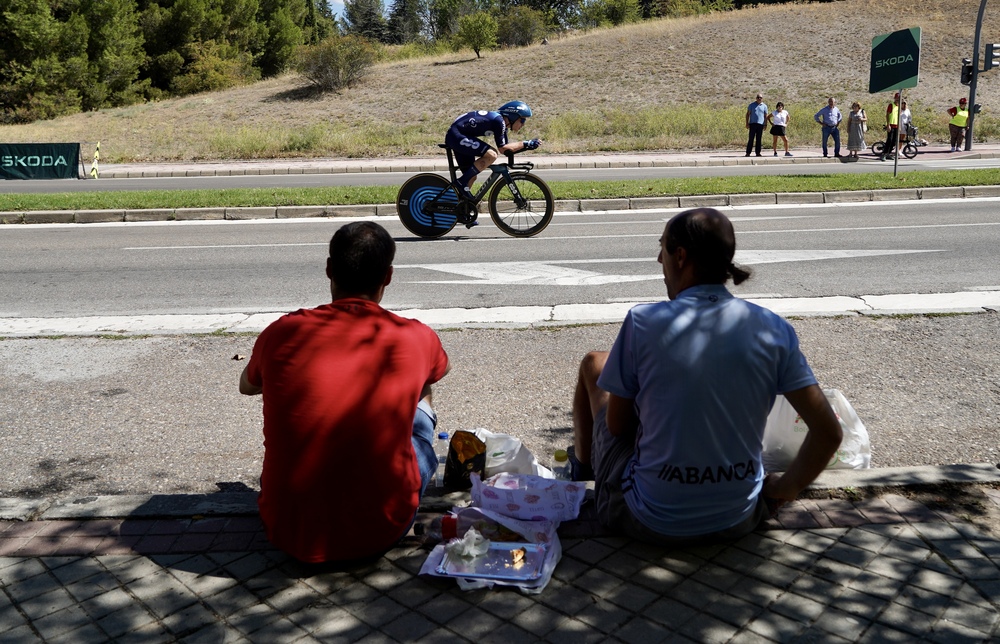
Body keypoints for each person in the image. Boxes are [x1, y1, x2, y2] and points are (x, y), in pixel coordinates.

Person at [570, 208, 842, 546]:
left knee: (595, 365)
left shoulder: (643, 322)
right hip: (739, 519)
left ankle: (580, 474)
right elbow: (829, 432)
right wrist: (781, 490)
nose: (659, 259)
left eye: (662, 247)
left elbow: (618, 428)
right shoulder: (773, 328)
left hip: (648, 519)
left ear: (680, 256)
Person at [239, 221, 450, 565]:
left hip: (289, 531)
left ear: (328, 269)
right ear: (389, 276)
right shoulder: (415, 335)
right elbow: (443, 369)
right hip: (382, 528)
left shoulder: (283, 332)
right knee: (423, 383)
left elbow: (246, 387)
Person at [445, 101, 541, 216]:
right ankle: (460, 183)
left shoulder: (502, 123)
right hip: (457, 135)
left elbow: (506, 150)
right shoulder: (499, 121)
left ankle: (461, 211)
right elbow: (502, 149)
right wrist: (526, 143)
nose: (523, 124)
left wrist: (527, 146)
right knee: (492, 154)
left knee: (471, 177)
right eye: (522, 120)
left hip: (460, 135)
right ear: (513, 116)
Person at [882, 92, 900, 161]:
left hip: (896, 125)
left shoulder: (899, 106)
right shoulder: (891, 105)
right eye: (897, 98)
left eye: (899, 99)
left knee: (894, 141)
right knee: (889, 139)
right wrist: (888, 124)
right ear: (895, 98)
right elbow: (887, 115)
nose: (898, 100)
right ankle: (884, 153)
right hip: (891, 125)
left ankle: (888, 153)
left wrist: (899, 126)